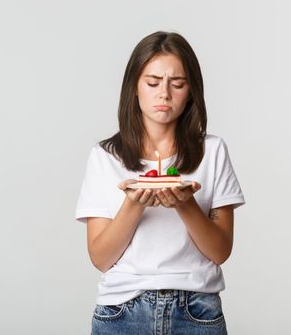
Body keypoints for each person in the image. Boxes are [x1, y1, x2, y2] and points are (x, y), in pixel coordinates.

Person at [75, 31, 245, 335]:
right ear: (134, 88)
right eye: (153, 83)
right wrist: (134, 203)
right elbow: (100, 258)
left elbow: (220, 251)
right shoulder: (104, 157)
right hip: (122, 311)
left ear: (191, 91)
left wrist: (185, 203)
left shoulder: (213, 151)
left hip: (197, 312)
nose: (164, 94)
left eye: (177, 84)